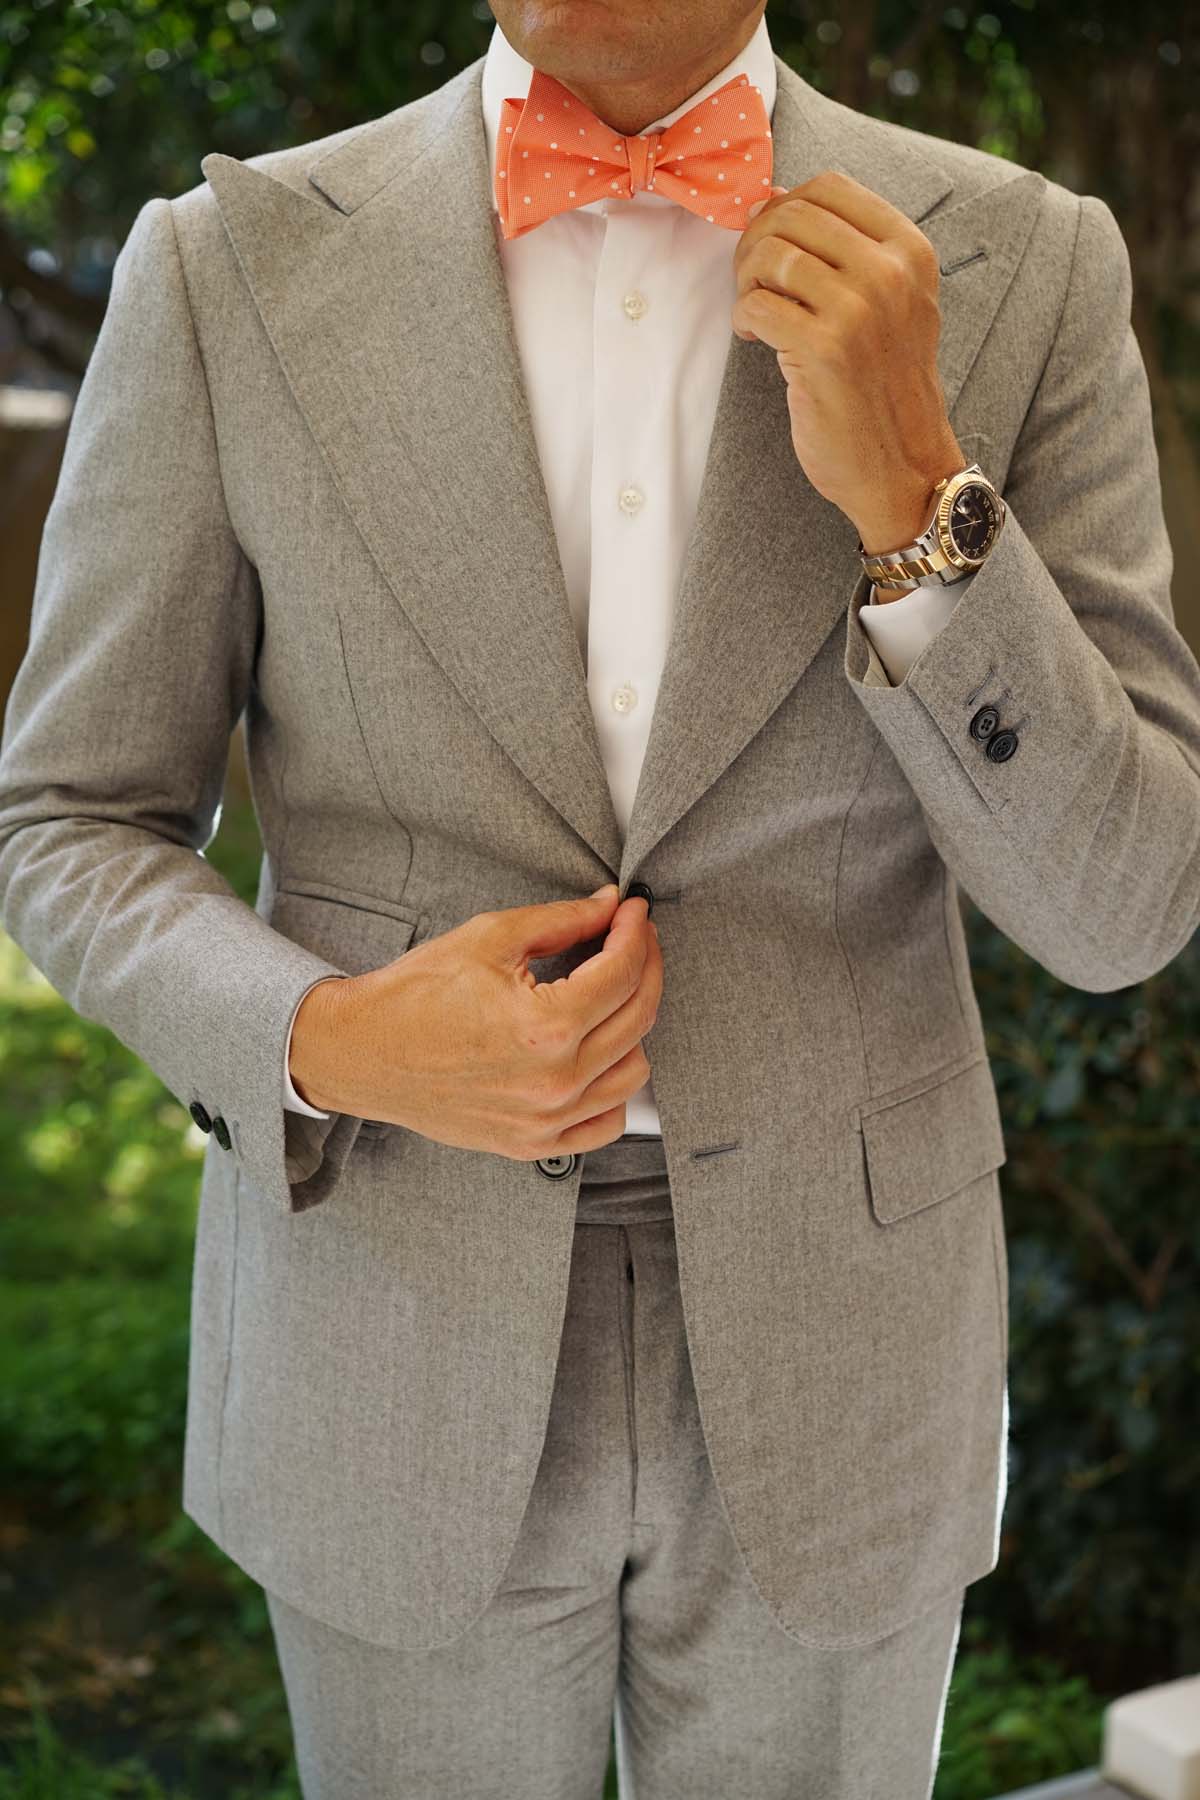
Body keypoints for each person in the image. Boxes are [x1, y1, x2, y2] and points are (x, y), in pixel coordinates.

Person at [2, 1, 1198, 1794]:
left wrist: (917, 502)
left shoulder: (1022, 262)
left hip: (841, 1344)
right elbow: (67, 820)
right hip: (389, 1318)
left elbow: (1122, 907)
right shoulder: (223, 266)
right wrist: (325, 1040)